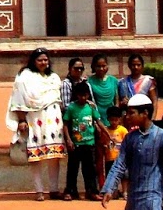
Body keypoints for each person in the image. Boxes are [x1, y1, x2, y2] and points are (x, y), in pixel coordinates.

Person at [8, 48, 66, 200]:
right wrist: (21, 120)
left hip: (54, 119)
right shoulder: (24, 77)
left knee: (54, 155)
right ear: (33, 60)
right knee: (36, 156)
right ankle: (39, 190)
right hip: (34, 119)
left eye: (45, 60)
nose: (43, 62)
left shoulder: (53, 77)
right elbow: (18, 100)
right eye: (40, 60)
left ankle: (54, 189)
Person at [62, 80, 103, 201]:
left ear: (88, 95)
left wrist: (106, 133)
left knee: (90, 169)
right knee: (72, 169)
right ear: (76, 95)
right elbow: (65, 124)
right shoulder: (71, 108)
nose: (83, 98)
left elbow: (98, 121)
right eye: (80, 95)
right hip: (75, 143)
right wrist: (68, 140)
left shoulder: (90, 107)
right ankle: (70, 191)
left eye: (85, 95)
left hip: (89, 143)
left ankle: (91, 191)